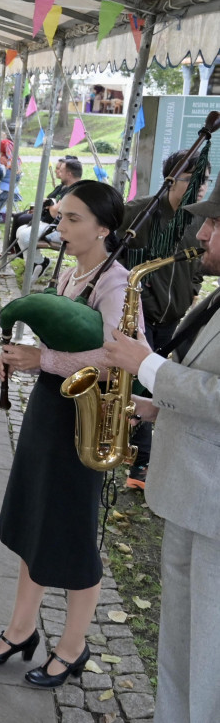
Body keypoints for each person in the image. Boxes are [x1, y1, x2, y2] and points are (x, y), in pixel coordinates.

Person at [0, 181, 143, 688]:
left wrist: (40, 359)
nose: (61, 228)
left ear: (103, 227)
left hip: (83, 422)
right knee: (35, 525)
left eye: (73, 219)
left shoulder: (116, 284)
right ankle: (21, 630)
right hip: (52, 410)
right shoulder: (73, 272)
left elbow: (119, 354)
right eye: (61, 217)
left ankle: (72, 646)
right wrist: (21, 359)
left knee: (72, 537)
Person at [106, 175, 220, 723]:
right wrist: (158, 407)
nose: (200, 233)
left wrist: (144, 363)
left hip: (215, 505)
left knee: (214, 647)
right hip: (189, 490)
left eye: (213, 225)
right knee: (180, 629)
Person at [120, 150, 210, 482]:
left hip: (174, 321)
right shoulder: (137, 213)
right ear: (172, 179)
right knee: (134, 384)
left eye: (206, 180)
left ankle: (140, 453)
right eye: (195, 180)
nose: (202, 188)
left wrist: (194, 288)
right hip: (137, 318)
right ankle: (140, 461)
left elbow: (198, 264)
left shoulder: (198, 220)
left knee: (156, 386)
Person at [16, 157, 82, 283]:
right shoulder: (63, 187)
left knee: (25, 236)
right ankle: (36, 263)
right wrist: (50, 205)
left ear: (69, 174)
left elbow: (54, 212)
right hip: (50, 225)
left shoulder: (75, 191)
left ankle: (38, 263)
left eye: (61, 171)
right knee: (20, 230)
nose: (59, 173)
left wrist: (50, 206)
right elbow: (48, 202)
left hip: (60, 230)